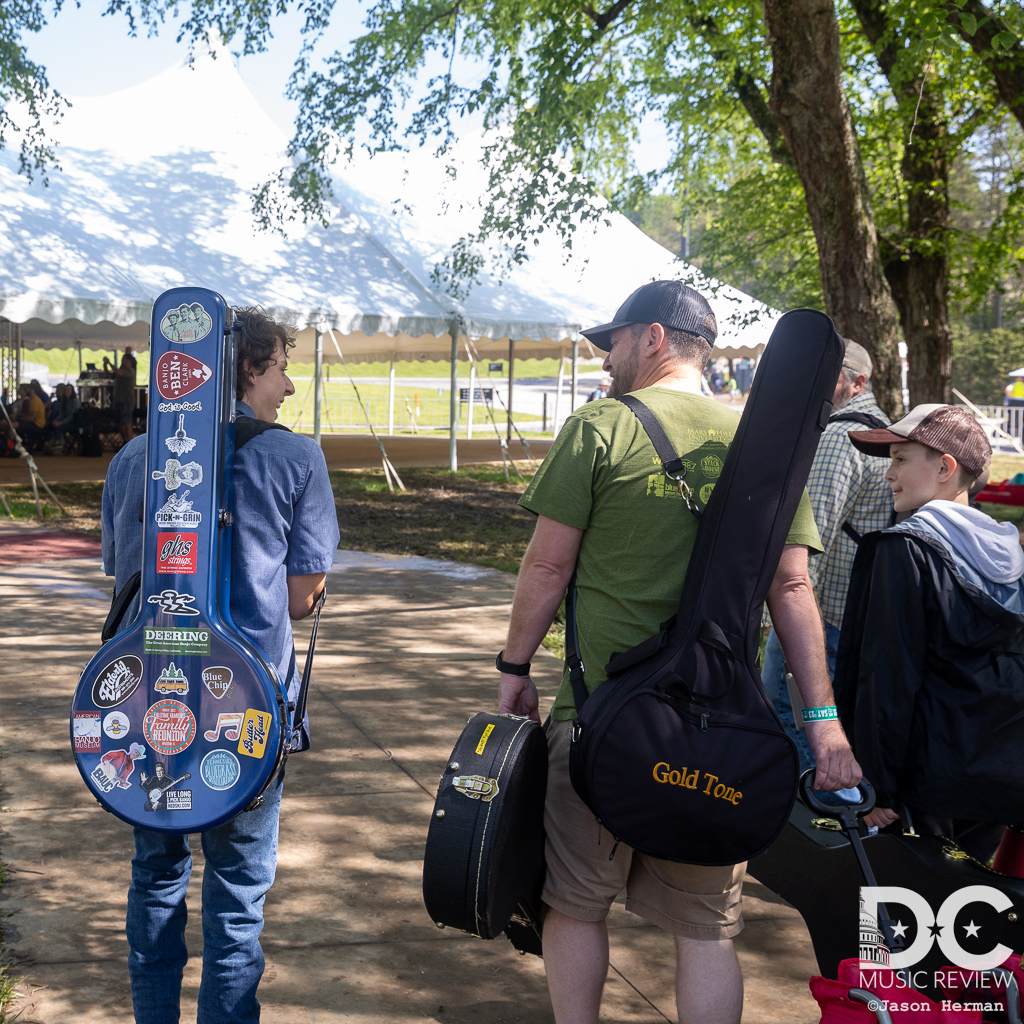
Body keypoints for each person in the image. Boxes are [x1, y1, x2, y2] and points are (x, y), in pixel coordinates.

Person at [497, 280, 861, 1024]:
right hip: (719, 735)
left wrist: (513, 669)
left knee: (574, 904)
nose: (608, 358)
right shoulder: (764, 448)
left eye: (615, 341)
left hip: (599, 718)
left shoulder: (601, 427)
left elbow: (545, 567)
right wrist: (823, 723)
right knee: (706, 930)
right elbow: (792, 590)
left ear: (654, 337)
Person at [102, 307, 340, 1024]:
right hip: (249, 707)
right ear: (245, 366)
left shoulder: (135, 458)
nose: (290, 387)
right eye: (281, 370)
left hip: (148, 706)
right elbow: (301, 599)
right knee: (237, 897)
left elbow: (121, 579)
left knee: (156, 878)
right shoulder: (295, 458)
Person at [834, 404, 1024, 859]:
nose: (888, 475)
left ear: (945, 467)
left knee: (891, 917)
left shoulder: (906, 550)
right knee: (974, 918)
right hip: (998, 777)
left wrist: (875, 785)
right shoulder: (1009, 553)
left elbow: (887, 678)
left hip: (922, 782)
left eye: (900, 459)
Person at [761, 340, 892, 770]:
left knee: (793, 725)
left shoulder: (840, 436)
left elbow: (808, 539)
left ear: (858, 382)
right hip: (855, 617)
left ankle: (820, 826)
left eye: (831, 373)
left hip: (818, 619)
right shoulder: (883, 428)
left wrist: (773, 619)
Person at [105, 345, 138, 446]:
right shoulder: (121, 370)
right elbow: (109, 375)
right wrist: (105, 365)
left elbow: (118, 373)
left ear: (128, 361)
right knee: (120, 422)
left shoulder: (129, 371)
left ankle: (129, 441)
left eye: (123, 359)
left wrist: (109, 363)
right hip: (118, 400)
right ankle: (126, 440)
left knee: (126, 422)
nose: (121, 361)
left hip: (127, 400)